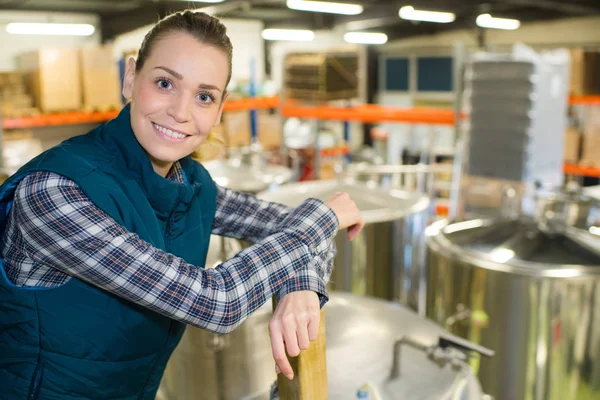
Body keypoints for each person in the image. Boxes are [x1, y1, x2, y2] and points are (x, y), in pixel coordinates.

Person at [0, 10, 364, 400]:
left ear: (221, 109)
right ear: (130, 78)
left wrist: (301, 288)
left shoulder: (189, 184)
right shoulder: (52, 194)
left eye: (204, 96)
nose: (181, 112)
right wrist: (324, 217)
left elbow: (292, 228)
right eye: (165, 83)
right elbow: (216, 302)